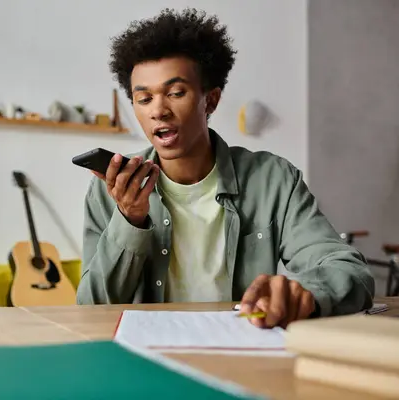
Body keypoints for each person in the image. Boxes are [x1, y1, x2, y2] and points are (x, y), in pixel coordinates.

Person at [76, 8, 374, 328]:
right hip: (145, 361)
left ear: (211, 100)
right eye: (144, 98)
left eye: (176, 93)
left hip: (243, 352)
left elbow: (348, 271)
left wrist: (307, 296)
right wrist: (129, 219)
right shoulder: (111, 190)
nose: (159, 111)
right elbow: (91, 309)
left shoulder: (272, 180)